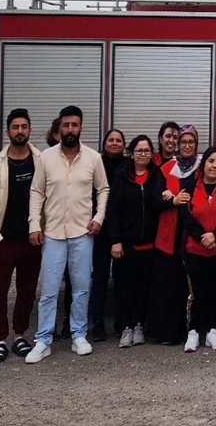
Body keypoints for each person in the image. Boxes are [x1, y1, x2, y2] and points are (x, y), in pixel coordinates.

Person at [24, 106, 110, 364]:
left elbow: (103, 189)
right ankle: (43, 340)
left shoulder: (93, 158)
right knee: (49, 290)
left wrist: (98, 218)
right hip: (52, 235)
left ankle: (78, 335)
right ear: (59, 128)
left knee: (82, 289)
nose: (70, 130)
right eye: (66, 125)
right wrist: (33, 225)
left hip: (83, 234)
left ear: (81, 127)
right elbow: (36, 192)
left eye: (74, 125)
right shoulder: (46, 158)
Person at [0, 108, 44, 364]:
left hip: (31, 240)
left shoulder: (40, 161)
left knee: (27, 290)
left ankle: (19, 335)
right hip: (3, 241)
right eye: (15, 127)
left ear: (29, 130)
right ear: (8, 132)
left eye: (24, 127)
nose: (20, 131)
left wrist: (39, 229)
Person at [105, 134, 165, 349]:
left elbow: (160, 205)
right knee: (124, 288)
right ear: (131, 153)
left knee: (143, 288)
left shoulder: (157, 177)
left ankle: (139, 325)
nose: (142, 154)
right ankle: (126, 327)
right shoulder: (122, 177)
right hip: (126, 246)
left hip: (149, 245)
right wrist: (115, 240)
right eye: (139, 151)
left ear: (152, 154)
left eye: (147, 151)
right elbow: (113, 211)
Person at [179, 148, 216, 352]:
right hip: (195, 250)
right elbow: (185, 216)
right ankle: (194, 331)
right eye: (210, 161)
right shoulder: (190, 185)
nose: (214, 165)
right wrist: (202, 236)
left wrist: (215, 234)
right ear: (203, 164)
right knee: (198, 292)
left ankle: (212, 330)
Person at [144, 125, 198, 345]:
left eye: (191, 142)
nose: (186, 146)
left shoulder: (202, 168)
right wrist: (171, 200)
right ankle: (166, 333)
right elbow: (154, 200)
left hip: (192, 236)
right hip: (169, 237)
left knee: (188, 287)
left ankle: (190, 330)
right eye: (183, 142)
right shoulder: (166, 169)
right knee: (167, 287)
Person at [91, 128, 125, 343]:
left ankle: (121, 323)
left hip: (122, 230)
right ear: (104, 144)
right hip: (100, 230)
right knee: (100, 278)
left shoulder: (128, 166)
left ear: (123, 145)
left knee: (122, 279)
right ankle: (97, 323)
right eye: (110, 140)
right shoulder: (96, 163)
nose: (114, 143)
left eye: (118, 140)